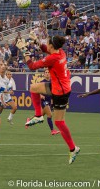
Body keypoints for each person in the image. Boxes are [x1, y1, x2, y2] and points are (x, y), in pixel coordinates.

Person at [23, 35, 80, 164]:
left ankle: (73, 148)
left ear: (51, 45)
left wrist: (24, 51)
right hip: (60, 86)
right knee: (33, 87)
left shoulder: (53, 58)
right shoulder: (60, 52)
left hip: (60, 92)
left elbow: (32, 66)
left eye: (47, 43)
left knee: (59, 122)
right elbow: (46, 49)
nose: (46, 44)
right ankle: (38, 115)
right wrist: (37, 41)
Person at [26, 69, 60, 136]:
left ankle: (29, 120)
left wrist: (53, 102)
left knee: (39, 116)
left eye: (48, 72)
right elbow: (35, 91)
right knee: (50, 115)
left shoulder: (52, 82)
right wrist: (40, 95)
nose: (47, 73)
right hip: (44, 101)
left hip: (49, 101)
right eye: (46, 72)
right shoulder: (42, 82)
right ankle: (52, 130)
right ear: (44, 74)